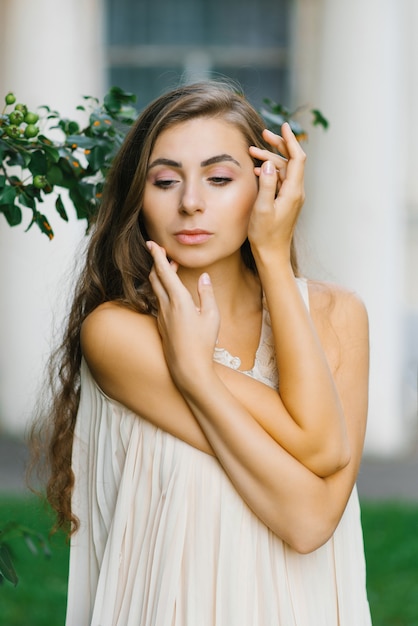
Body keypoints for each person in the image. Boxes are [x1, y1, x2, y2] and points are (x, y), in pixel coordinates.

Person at [32, 80, 372, 625]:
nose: (191, 202)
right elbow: (308, 500)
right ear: (137, 198)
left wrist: (271, 255)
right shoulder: (118, 333)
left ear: (268, 186)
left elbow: (321, 466)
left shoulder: (339, 317)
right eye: (165, 180)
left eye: (218, 178)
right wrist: (196, 375)